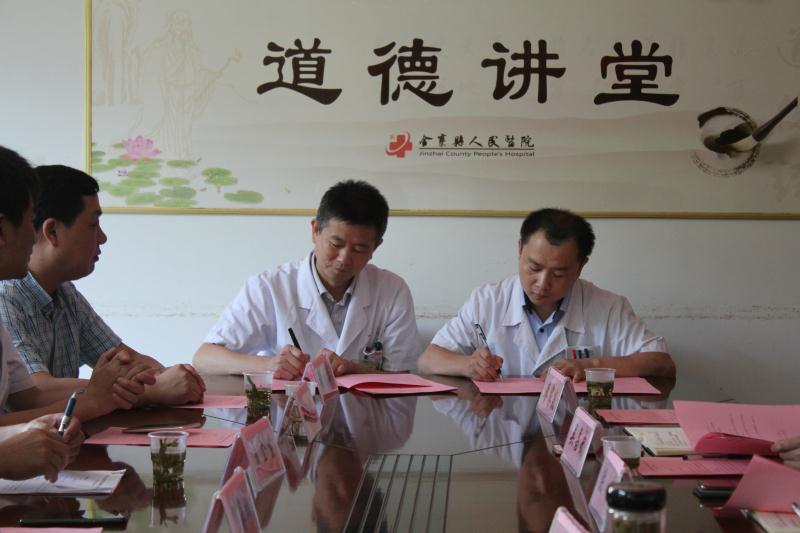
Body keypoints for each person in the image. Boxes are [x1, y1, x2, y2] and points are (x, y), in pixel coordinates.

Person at [0, 145, 152, 481]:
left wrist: (52, 420)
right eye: (29, 222)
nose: (33, 237)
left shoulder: (65, 294)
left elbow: (28, 397)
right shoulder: (6, 297)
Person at [0, 164, 204, 406]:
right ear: (52, 231)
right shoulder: (6, 295)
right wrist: (151, 390)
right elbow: (34, 392)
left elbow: (126, 360)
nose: (103, 238)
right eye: (92, 225)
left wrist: (169, 376)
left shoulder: (65, 293)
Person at [194, 180, 421, 378]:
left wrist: (355, 369)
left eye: (359, 249)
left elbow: (403, 376)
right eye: (336, 244)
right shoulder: (269, 287)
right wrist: (269, 365)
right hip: (287, 411)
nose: (344, 258)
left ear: (375, 247)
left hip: (364, 413)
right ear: (315, 230)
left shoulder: (392, 290)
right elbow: (205, 358)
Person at [419, 208, 675, 381]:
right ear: (520, 250)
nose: (542, 283)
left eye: (559, 273)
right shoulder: (487, 301)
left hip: (575, 433)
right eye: (534, 268)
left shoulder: (608, 307)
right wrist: (468, 365)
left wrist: (591, 366)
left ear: (580, 266)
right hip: (504, 426)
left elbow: (661, 363)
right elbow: (428, 360)